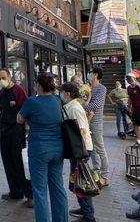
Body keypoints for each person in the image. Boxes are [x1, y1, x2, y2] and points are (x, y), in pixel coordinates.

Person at [17, 72, 68, 222]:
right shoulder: (58, 100)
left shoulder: (32, 102)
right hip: (58, 148)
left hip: (39, 149)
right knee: (57, 187)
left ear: (38, 85)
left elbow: (19, 119)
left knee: (39, 191)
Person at [0, 68, 33, 207]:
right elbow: (0, 108)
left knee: (19, 163)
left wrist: (27, 127)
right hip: (4, 131)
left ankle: (30, 195)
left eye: (3, 77)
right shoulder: (0, 92)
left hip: (17, 131)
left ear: (10, 76)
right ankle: (15, 192)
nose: (1, 80)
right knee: (8, 162)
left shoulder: (18, 90)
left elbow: (26, 109)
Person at [61, 82, 95, 222]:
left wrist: (80, 153)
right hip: (78, 149)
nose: (61, 95)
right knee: (78, 180)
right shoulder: (71, 106)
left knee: (82, 181)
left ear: (67, 94)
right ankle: (84, 209)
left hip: (81, 150)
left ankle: (88, 215)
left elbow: (81, 130)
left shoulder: (74, 108)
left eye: (62, 93)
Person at [84, 67, 109, 187]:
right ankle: (96, 171)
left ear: (95, 75)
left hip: (96, 122)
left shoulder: (101, 88)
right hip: (86, 121)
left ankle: (105, 176)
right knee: (92, 148)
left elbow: (94, 105)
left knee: (100, 148)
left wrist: (85, 104)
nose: (88, 74)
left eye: (90, 73)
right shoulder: (87, 87)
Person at [127, 72, 140, 145]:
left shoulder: (138, 86)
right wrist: (129, 107)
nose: (128, 80)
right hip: (135, 109)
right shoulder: (129, 88)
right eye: (127, 79)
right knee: (135, 124)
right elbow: (130, 98)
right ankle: (138, 139)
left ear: (134, 78)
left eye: (129, 78)